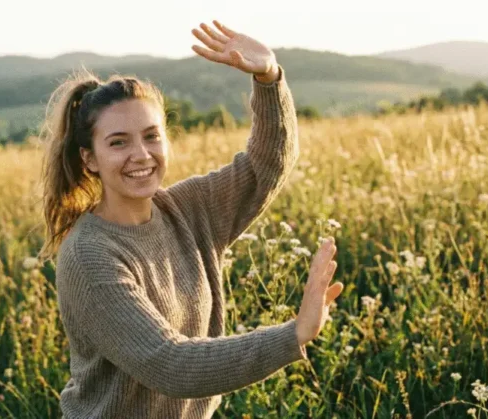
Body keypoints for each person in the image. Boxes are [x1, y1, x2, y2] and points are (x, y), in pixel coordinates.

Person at [38, 19, 344, 419]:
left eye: (151, 136)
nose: (141, 155)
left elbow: (265, 166)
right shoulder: (89, 256)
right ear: (89, 159)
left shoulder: (187, 209)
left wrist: (269, 77)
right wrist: (294, 334)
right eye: (118, 142)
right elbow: (170, 363)